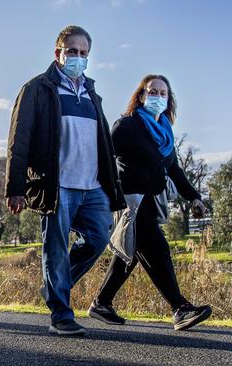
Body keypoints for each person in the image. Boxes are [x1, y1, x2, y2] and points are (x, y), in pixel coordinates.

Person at [5, 25, 126, 336]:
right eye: (72, 51)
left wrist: (112, 186)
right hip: (57, 185)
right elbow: (19, 140)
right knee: (55, 249)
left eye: (84, 53)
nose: (78, 57)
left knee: (99, 238)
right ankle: (61, 314)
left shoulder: (91, 93)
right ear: (57, 53)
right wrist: (15, 188)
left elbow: (103, 142)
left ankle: (54, 286)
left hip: (93, 186)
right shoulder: (38, 89)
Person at [88, 75, 212, 331]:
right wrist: (104, 196)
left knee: (130, 252)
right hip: (131, 201)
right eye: (152, 91)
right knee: (157, 248)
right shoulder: (126, 125)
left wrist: (194, 197)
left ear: (169, 100)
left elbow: (174, 169)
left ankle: (101, 303)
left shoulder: (165, 130)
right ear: (141, 96)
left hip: (151, 200)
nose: (157, 96)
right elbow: (103, 158)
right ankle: (180, 308)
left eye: (162, 93)